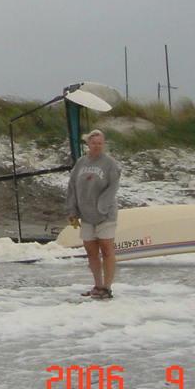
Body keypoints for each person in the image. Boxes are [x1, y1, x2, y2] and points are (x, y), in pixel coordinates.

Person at [66, 128, 121, 299]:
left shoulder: (110, 164)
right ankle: (97, 285)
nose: (96, 146)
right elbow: (72, 187)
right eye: (93, 143)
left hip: (105, 214)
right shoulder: (81, 163)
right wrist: (72, 210)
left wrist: (102, 206)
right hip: (86, 215)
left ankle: (107, 287)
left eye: (100, 143)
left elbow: (113, 187)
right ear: (88, 144)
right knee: (91, 251)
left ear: (103, 144)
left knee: (106, 249)